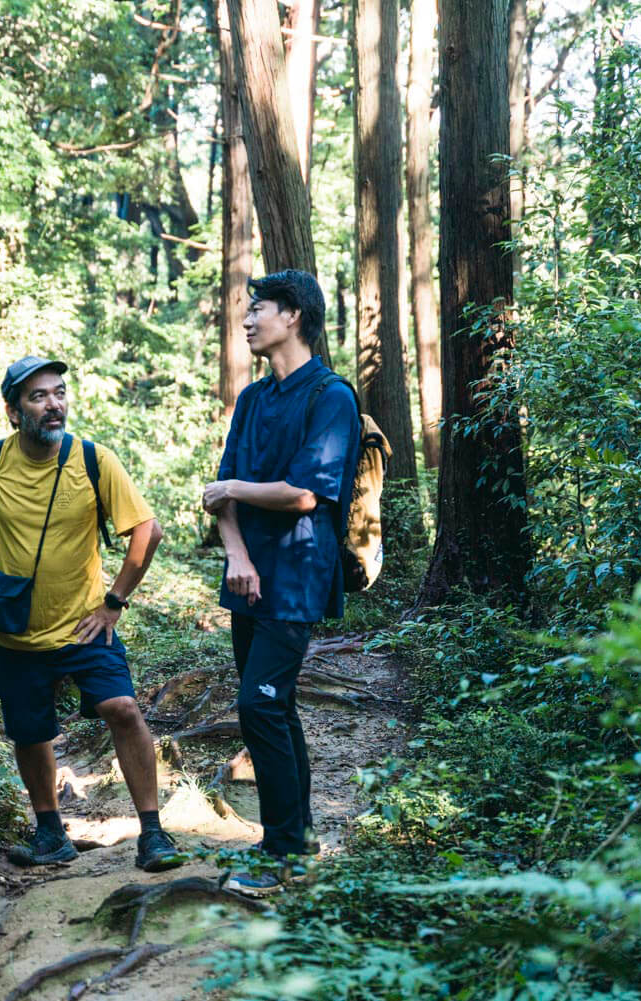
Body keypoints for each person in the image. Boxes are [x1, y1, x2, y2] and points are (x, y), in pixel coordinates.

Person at [0, 355, 183, 872]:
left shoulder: (93, 460)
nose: (54, 405)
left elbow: (147, 531)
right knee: (30, 732)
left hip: (84, 626)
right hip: (15, 631)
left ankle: (154, 833)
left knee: (123, 709)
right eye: (38, 397)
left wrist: (113, 603)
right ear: (13, 411)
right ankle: (51, 833)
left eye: (59, 393)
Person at [203, 270, 360, 896]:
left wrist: (234, 490)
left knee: (260, 703)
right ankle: (295, 841)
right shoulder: (251, 399)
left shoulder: (331, 397)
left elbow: (302, 495)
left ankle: (280, 853)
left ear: (293, 315)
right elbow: (222, 497)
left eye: (257, 308)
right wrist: (236, 557)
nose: (246, 320)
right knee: (273, 706)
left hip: (297, 578)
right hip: (249, 579)